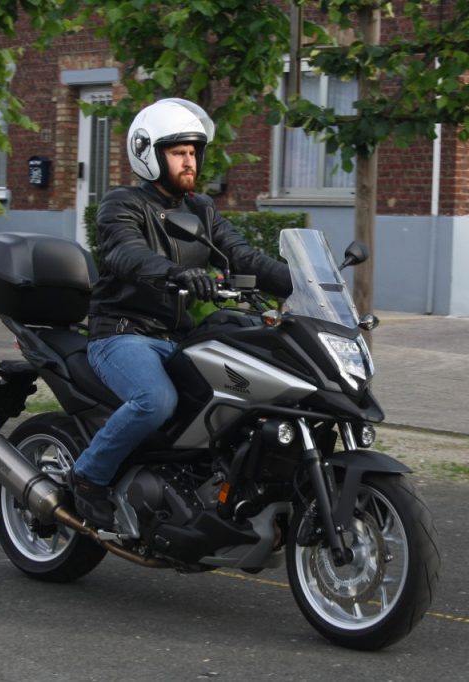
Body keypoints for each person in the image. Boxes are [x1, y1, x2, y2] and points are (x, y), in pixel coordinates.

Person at [69, 98, 292, 529]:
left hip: (177, 336)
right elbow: (125, 253)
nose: (189, 161)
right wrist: (176, 274)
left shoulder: (201, 209)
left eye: (193, 152)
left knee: (246, 387)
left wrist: (301, 282)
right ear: (148, 154)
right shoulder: (122, 204)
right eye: (178, 152)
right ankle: (88, 477)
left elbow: (241, 256)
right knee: (156, 401)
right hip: (122, 333)